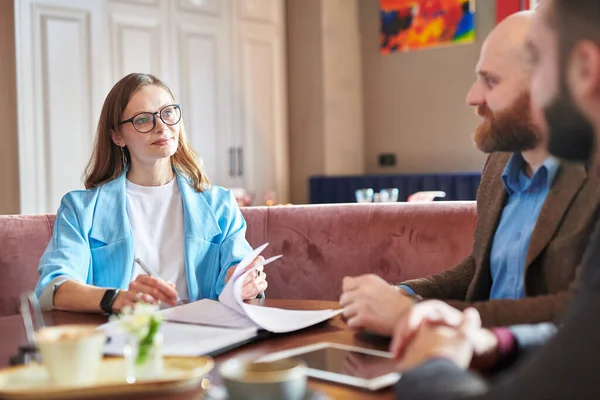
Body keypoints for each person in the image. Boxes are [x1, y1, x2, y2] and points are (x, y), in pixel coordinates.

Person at [339, 11, 600, 336]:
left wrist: (416, 314)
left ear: (547, 85)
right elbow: (479, 268)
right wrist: (405, 293)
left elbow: (574, 310)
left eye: (491, 81)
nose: (472, 97)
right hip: (473, 355)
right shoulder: (500, 163)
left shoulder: (593, 174)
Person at [394, 1, 600, 398]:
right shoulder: (500, 167)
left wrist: (430, 364)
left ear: (586, 68)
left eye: (538, 63)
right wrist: (492, 342)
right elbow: (583, 332)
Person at [34, 73, 267, 314]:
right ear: (117, 136)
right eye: (143, 120)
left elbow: (238, 266)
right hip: (124, 339)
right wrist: (117, 299)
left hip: (204, 338)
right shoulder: (80, 209)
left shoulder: (219, 203)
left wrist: (242, 281)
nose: (162, 127)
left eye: (167, 113)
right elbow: (53, 288)